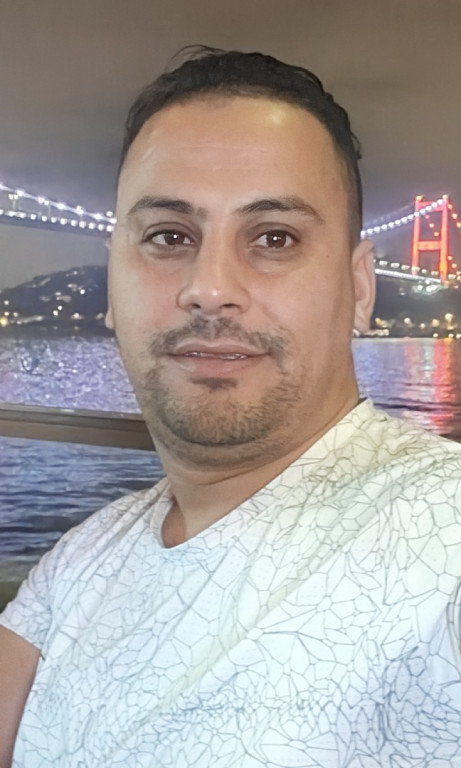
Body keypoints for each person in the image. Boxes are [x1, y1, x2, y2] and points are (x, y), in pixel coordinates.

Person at [0, 47, 460, 768]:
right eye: (168, 237)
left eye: (275, 238)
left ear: (360, 289)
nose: (209, 288)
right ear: (111, 286)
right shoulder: (82, 557)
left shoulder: (446, 534)